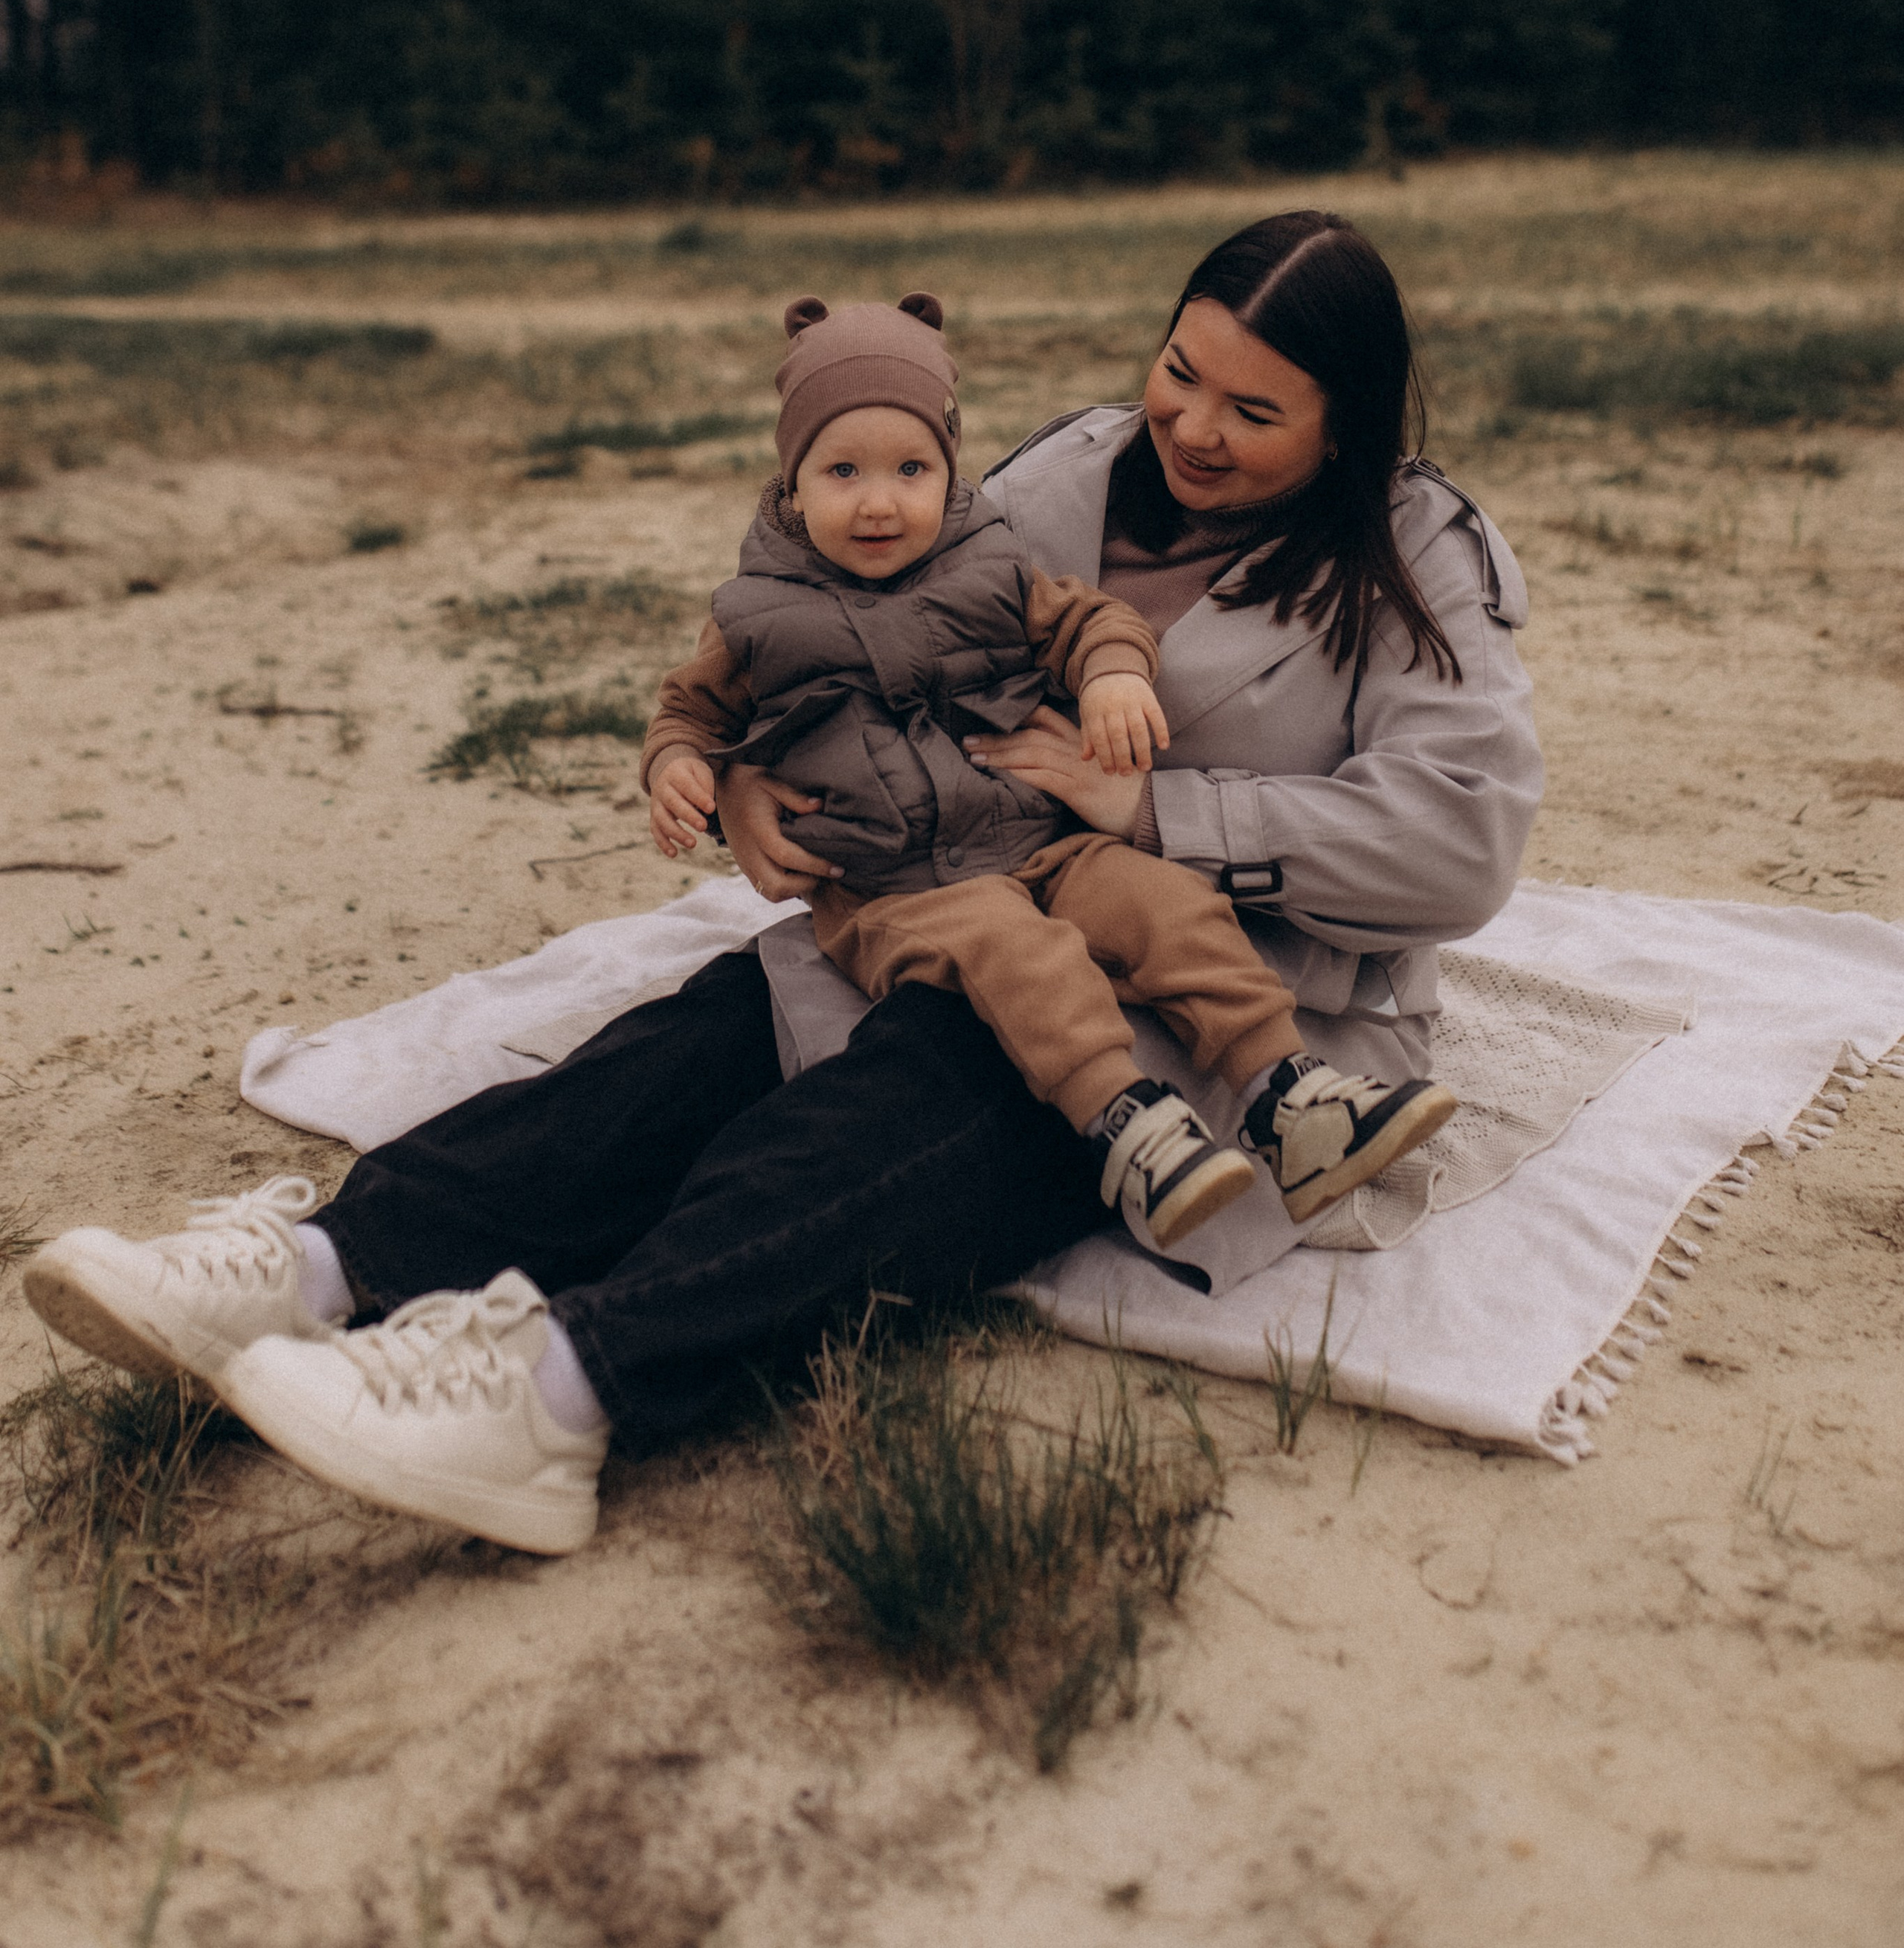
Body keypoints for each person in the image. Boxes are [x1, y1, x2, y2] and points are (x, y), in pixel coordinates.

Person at [24, 210, 1541, 1560]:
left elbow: (1461, 837)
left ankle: (559, 1390)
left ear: (1344, 429)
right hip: (962, 880)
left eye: (1252, 409)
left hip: (1223, 992)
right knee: (696, 1039)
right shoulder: (1069, 469)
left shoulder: (1413, 555)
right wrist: (751, 771)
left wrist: (1159, 806)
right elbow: (850, 619)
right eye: (1178, 372)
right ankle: (317, 1265)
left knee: (907, 1105)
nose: (1190, 427)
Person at [641, 290, 1454, 1254]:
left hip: (1034, 835)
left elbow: (1086, 619)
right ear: (791, 479)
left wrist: (1112, 675)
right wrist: (684, 765)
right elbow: (690, 708)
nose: (878, 499)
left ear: (948, 469)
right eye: (842, 469)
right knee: (1024, 955)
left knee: (1165, 903)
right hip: (896, 887)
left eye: (911, 468)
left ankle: (1287, 1092)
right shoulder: (755, 613)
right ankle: (1127, 1126)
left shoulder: (985, 560)